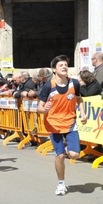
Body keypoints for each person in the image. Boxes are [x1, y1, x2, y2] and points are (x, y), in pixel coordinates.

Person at [37, 55, 87, 196]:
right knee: (60, 157)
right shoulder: (49, 86)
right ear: (54, 69)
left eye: (66, 65)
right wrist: (45, 109)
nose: (64, 67)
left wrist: (82, 113)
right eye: (61, 65)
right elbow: (39, 108)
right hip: (53, 124)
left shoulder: (75, 83)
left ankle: (65, 148)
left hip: (70, 123)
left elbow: (79, 98)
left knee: (74, 154)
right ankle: (61, 183)